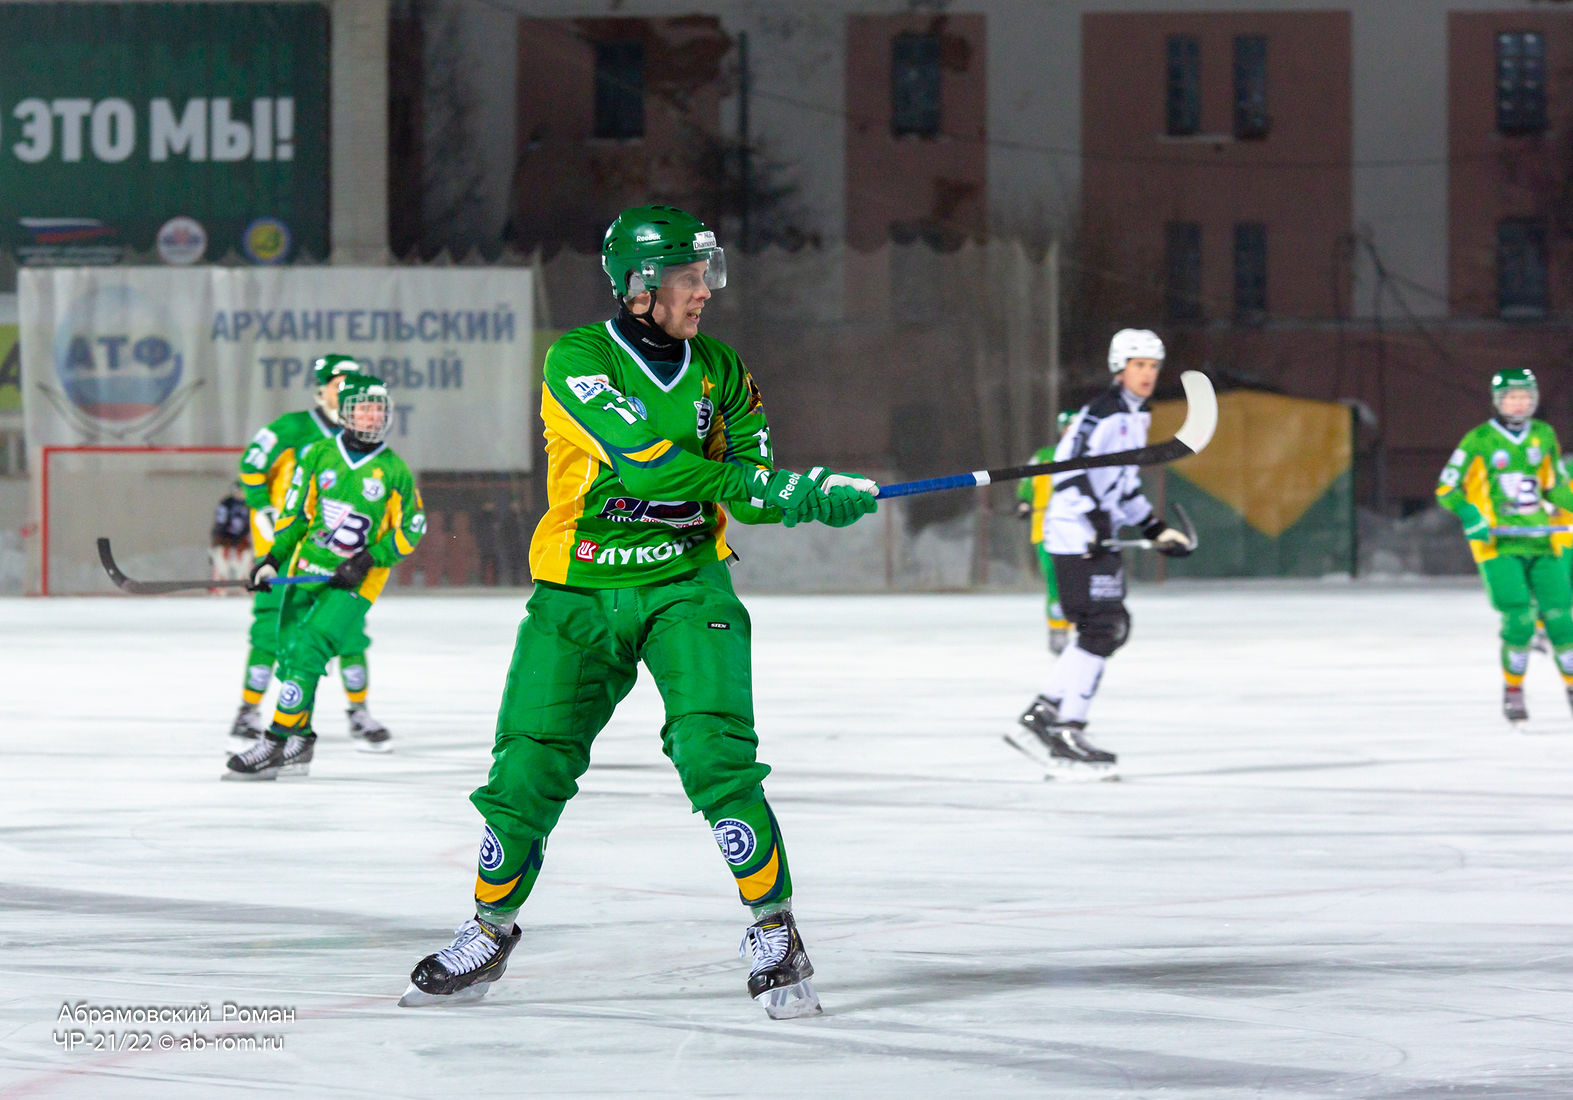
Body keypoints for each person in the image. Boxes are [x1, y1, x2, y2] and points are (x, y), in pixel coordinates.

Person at [399, 204, 880, 1019]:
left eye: (705, 276)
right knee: (524, 767)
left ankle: (775, 928)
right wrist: (766, 488)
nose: (704, 293)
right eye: (689, 279)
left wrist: (814, 497)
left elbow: (755, 488)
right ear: (638, 286)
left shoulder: (725, 371)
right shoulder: (579, 358)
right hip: (577, 593)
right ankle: (488, 929)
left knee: (715, 755)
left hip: (688, 588)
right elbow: (651, 468)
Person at [1006, 329, 1195, 777]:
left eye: (1153, 366)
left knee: (1110, 626)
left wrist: (1155, 527)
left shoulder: (1137, 417)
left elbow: (1124, 483)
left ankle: (1044, 717)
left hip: (1096, 532)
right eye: (1138, 365)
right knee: (1101, 626)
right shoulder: (1103, 415)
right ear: (1119, 368)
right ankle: (1067, 728)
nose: (1147, 374)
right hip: (1075, 534)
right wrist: (1093, 522)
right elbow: (1072, 475)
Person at [225, 375, 426, 779]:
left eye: (379, 408)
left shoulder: (394, 470)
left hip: (354, 583)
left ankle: (276, 742)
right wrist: (271, 560)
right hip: (306, 569)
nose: (372, 416)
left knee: (309, 647)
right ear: (346, 412)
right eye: (363, 408)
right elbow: (296, 516)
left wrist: (369, 558)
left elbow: (412, 528)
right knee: (289, 653)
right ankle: (301, 742)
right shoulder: (317, 454)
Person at [1435, 367, 1573, 726]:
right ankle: (1513, 689)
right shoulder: (1480, 439)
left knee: (1561, 617)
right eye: (1512, 397)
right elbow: (1447, 488)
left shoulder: (1543, 435)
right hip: (1499, 544)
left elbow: (1554, 486)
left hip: (1540, 539)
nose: (1519, 403)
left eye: (1525, 396)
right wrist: (1470, 515)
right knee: (1519, 617)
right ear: (1498, 401)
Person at [1015, 408, 1078, 654]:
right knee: (1054, 579)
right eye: (1068, 427)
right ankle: (1057, 629)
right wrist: (1023, 502)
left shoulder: (1086, 455)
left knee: (1076, 580)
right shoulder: (1044, 456)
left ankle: (1079, 626)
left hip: (1077, 529)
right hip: (1045, 528)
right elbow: (1026, 483)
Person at [210, 483, 253, 588]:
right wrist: (219, 538)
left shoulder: (249, 504)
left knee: (246, 558)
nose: (240, 494)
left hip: (242, 538)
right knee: (220, 558)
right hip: (225, 537)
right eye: (238, 491)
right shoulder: (226, 504)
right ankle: (218, 584)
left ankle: (246, 582)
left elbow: (251, 523)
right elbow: (220, 522)